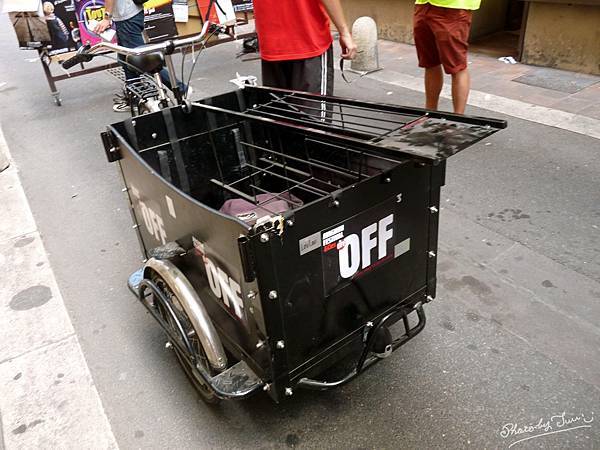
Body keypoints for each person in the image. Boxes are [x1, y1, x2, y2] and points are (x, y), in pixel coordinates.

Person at [93, 0, 186, 112]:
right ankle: (135, 99)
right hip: (128, 14)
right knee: (126, 60)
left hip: (126, 17)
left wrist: (107, 18)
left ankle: (181, 89)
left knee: (143, 61)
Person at [253, 0, 357, 97]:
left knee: (276, 108)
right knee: (311, 108)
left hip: (271, 40)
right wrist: (344, 32)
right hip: (307, 39)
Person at [413, 0, 480, 114]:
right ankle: (430, 113)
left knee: (457, 66)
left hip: (454, 8)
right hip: (424, 5)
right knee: (430, 63)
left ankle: (458, 117)